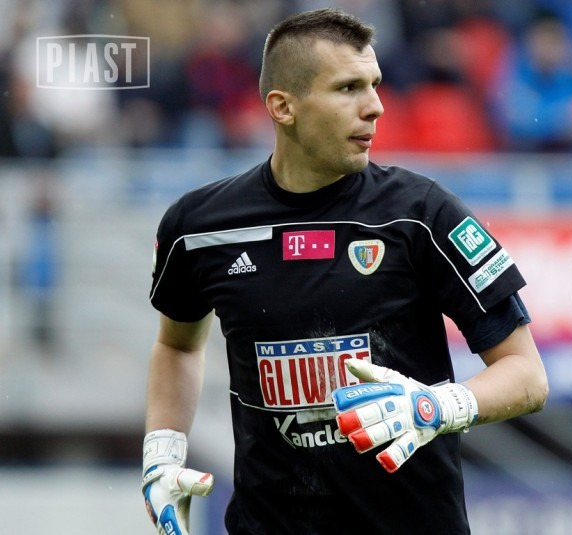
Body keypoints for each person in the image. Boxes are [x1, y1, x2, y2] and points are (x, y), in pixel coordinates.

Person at [142, 8, 549, 535]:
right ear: (283, 107)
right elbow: (177, 346)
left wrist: (437, 406)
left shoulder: (423, 216)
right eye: (349, 88)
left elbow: (527, 375)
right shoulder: (199, 228)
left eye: (375, 85)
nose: (376, 106)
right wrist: (162, 453)